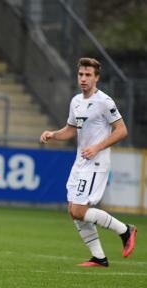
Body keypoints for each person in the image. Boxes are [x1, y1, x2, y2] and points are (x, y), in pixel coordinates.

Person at [40, 57, 137, 267]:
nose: (83, 79)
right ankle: (99, 258)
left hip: (97, 162)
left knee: (78, 210)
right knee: (73, 210)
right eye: (81, 74)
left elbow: (122, 130)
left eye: (88, 75)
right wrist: (53, 134)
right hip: (80, 162)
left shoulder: (105, 101)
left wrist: (96, 147)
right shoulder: (76, 101)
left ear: (97, 78)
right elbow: (71, 129)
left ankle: (125, 230)